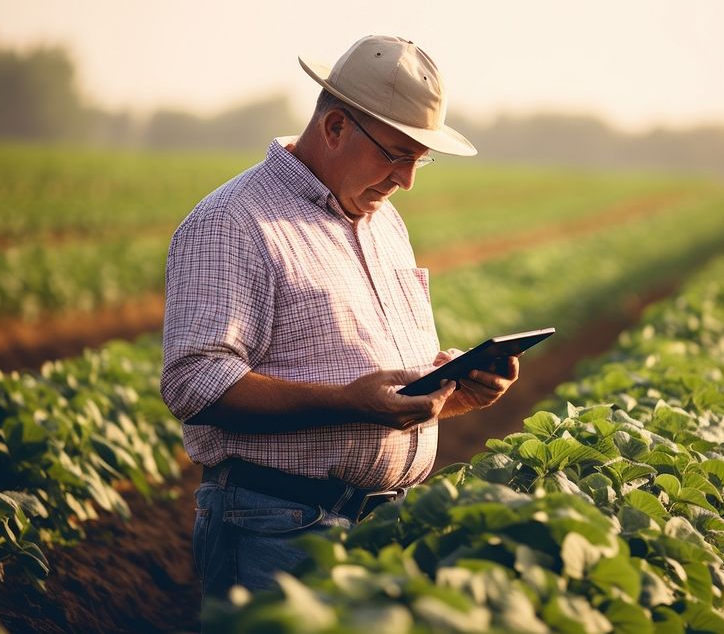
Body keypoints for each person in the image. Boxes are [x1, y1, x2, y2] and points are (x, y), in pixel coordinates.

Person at [160, 35, 520, 600]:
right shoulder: (233, 222)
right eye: (397, 154)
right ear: (335, 129)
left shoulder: (384, 224)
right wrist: (349, 402)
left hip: (383, 528)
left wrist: (452, 391)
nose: (407, 179)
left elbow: (377, 386)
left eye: (419, 159)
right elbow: (195, 385)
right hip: (278, 532)